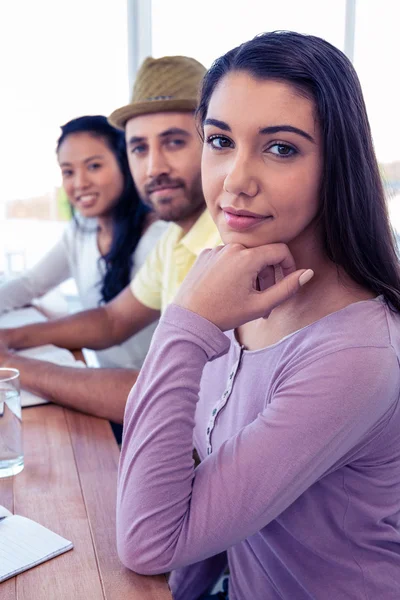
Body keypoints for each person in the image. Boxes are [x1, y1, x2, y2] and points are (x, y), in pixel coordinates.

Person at [116, 32, 400, 599]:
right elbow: (201, 505)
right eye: (220, 140)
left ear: (337, 164)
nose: (235, 180)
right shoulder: (242, 291)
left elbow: (150, 542)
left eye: (281, 148)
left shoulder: (356, 353)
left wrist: (184, 323)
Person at [0, 56, 220, 423]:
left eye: (175, 142)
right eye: (139, 148)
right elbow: (112, 320)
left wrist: (10, 364)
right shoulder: (177, 238)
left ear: (217, 143)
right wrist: (11, 338)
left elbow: (161, 397)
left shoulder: (225, 245)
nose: (154, 168)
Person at [0, 115, 167, 369]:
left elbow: (112, 322)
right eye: (68, 172)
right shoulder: (81, 231)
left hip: (149, 394)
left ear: (125, 164)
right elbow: (31, 283)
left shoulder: (159, 238)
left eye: (94, 166)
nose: (79, 183)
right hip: (105, 385)